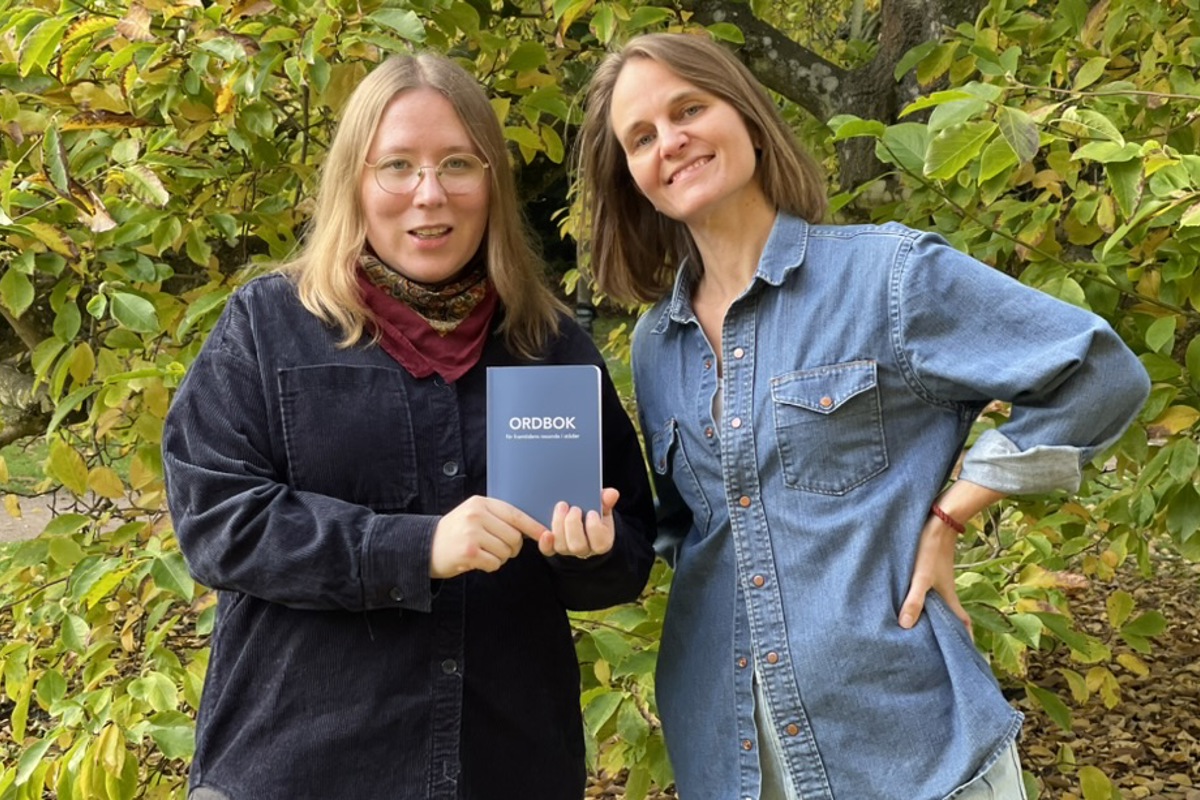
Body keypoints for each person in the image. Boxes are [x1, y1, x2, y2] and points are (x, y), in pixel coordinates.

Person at [574, 32, 1149, 800]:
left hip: (911, 753)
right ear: (633, 178)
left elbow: (1100, 374)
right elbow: (693, 534)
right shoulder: (656, 346)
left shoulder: (888, 276)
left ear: (745, 114)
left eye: (689, 109)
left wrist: (952, 514)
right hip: (731, 757)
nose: (670, 142)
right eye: (641, 137)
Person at [162, 53, 656, 800]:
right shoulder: (268, 328)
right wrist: (414, 547)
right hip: (299, 771)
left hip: (505, 766)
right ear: (355, 184)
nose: (430, 194)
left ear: (492, 181)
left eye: (458, 162)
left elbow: (626, 556)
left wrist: (589, 551)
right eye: (398, 165)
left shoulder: (546, 343)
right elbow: (217, 520)